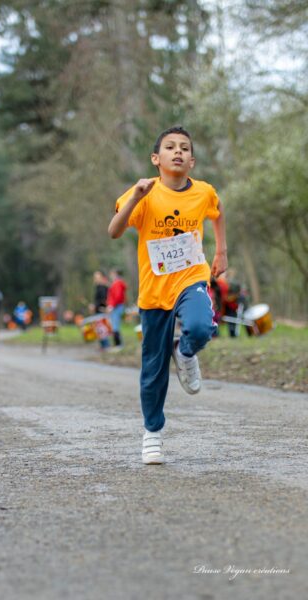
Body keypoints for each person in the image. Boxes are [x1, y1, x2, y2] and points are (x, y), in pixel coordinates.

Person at [108, 126, 227, 464]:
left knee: (201, 327)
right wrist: (136, 197)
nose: (178, 152)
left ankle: (185, 351)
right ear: (155, 159)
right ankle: (153, 432)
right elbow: (114, 231)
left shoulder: (203, 192)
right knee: (154, 368)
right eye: (170, 147)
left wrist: (221, 251)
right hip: (155, 289)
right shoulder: (144, 193)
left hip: (191, 279)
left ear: (192, 161)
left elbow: (218, 211)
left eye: (185, 148)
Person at [107, 269, 127, 348]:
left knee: (115, 326)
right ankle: (118, 345)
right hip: (117, 306)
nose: (111, 276)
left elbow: (118, 296)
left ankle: (118, 345)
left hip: (116, 306)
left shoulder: (117, 283)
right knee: (115, 326)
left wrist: (112, 305)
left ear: (115, 274)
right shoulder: (117, 283)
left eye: (112, 274)